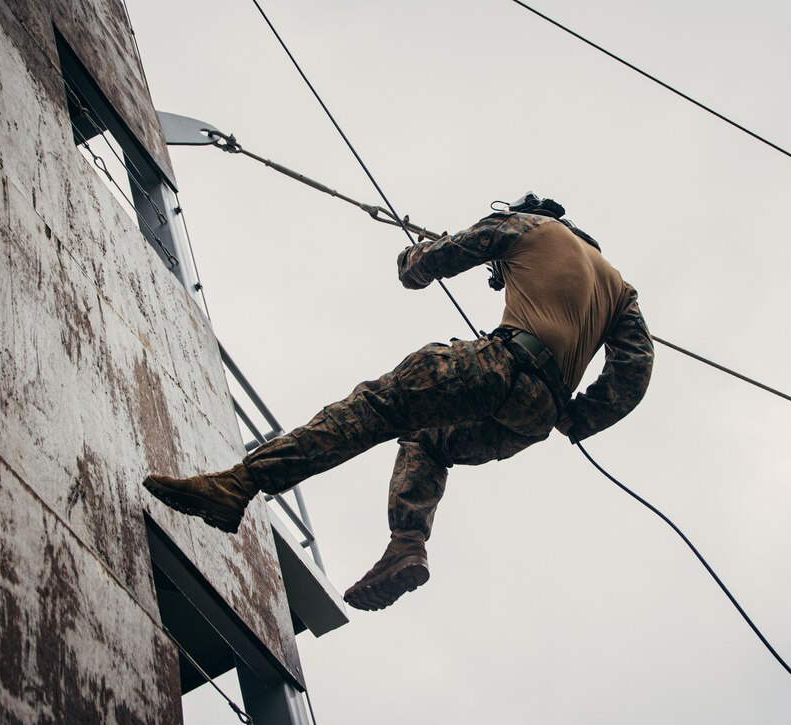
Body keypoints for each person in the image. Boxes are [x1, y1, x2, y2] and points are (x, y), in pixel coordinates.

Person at [143, 193, 654, 611]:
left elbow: (427, 265)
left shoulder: (531, 228)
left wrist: (414, 257)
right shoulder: (620, 290)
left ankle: (239, 484)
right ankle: (407, 545)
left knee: (375, 408)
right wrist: (578, 417)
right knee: (427, 443)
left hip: (500, 363)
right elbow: (633, 370)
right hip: (534, 416)